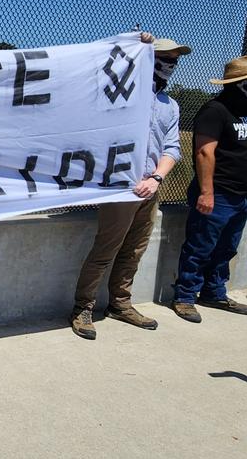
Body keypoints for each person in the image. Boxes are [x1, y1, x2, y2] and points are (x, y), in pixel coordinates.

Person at [69, 36, 190, 340]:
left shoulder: (169, 105)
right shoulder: (121, 95)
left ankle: (120, 304)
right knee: (105, 249)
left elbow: (172, 148)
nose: (170, 65)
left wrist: (156, 178)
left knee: (135, 249)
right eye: (165, 58)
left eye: (175, 60)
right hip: (120, 188)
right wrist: (133, 41)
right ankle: (83, 307)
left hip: (151, 188)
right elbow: (101, 70)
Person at [171, 55, 247, 322]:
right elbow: (204, 152)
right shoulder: (215, 110)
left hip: (242, 195)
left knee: (227, 247)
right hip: (217, 194)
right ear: (241, 82)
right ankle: (185, 297)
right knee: (200, 246)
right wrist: (206, 192)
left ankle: (214, 292)